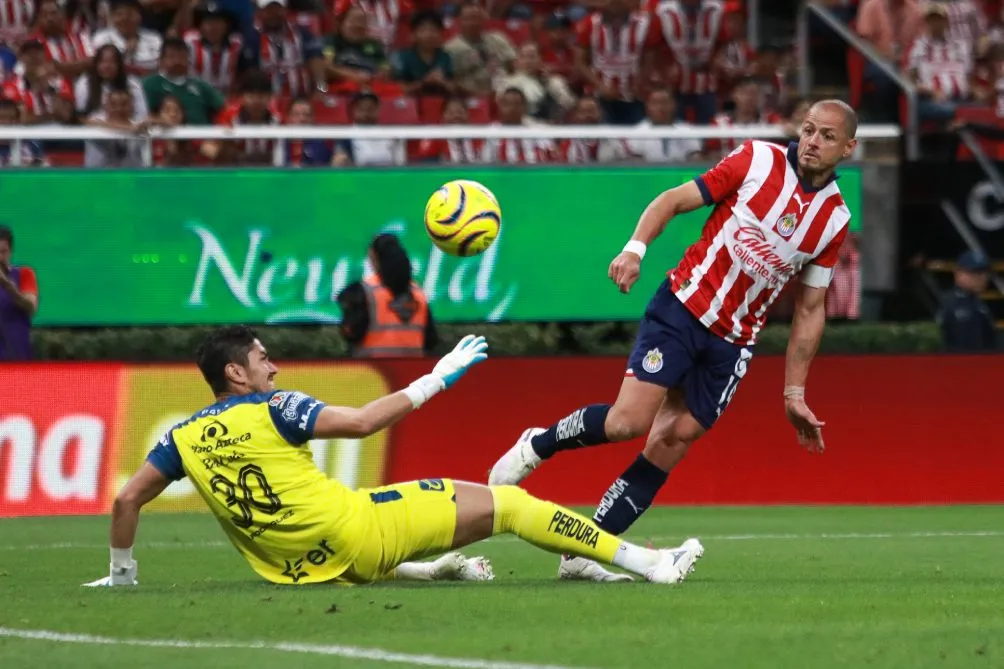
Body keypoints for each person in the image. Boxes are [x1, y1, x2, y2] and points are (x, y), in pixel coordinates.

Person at [490, 99, 858, 582]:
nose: (812, 141)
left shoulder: (834, 218)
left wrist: (794, 392)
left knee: (674, 439)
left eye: (826, 136)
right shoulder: (756, 160)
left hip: (733, 344)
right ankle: (537, 443)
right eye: (808, 129)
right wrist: (634, 250)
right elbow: (671, 201)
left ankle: (583, 551)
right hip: (683, 308)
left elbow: (811, 309)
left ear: (848, 148)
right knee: (628, 422)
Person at [84, 327, 704, 587]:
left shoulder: (181, 438)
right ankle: (650, 563)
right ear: (235, 373)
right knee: (511, 503)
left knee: (402, 515)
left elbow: (126, 498)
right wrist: (437, 377)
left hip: (302, 568)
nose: (274, 365)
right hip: (359, 534)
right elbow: (358, 423)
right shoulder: (271, 407)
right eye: (262, 358)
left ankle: (437, 569)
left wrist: (122, 573)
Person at [337, 233, 436, 357]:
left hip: (374, 371)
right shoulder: (419, 293)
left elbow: (351, 332)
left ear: (374, 258)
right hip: (413, 372)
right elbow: (430, 339)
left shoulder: (364, 291)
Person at [937, 249, 998, 352]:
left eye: (985, 272)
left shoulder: (977, 302)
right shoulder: (953, 303)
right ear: (959, 273)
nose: (982, 278)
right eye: (976, 272)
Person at [0, 225, 40, 361]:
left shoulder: (25, 274)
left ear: (10, 252)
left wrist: (8, 286)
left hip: (18, 355)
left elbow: (31, 308)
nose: (0, 257)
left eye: (3, 252)